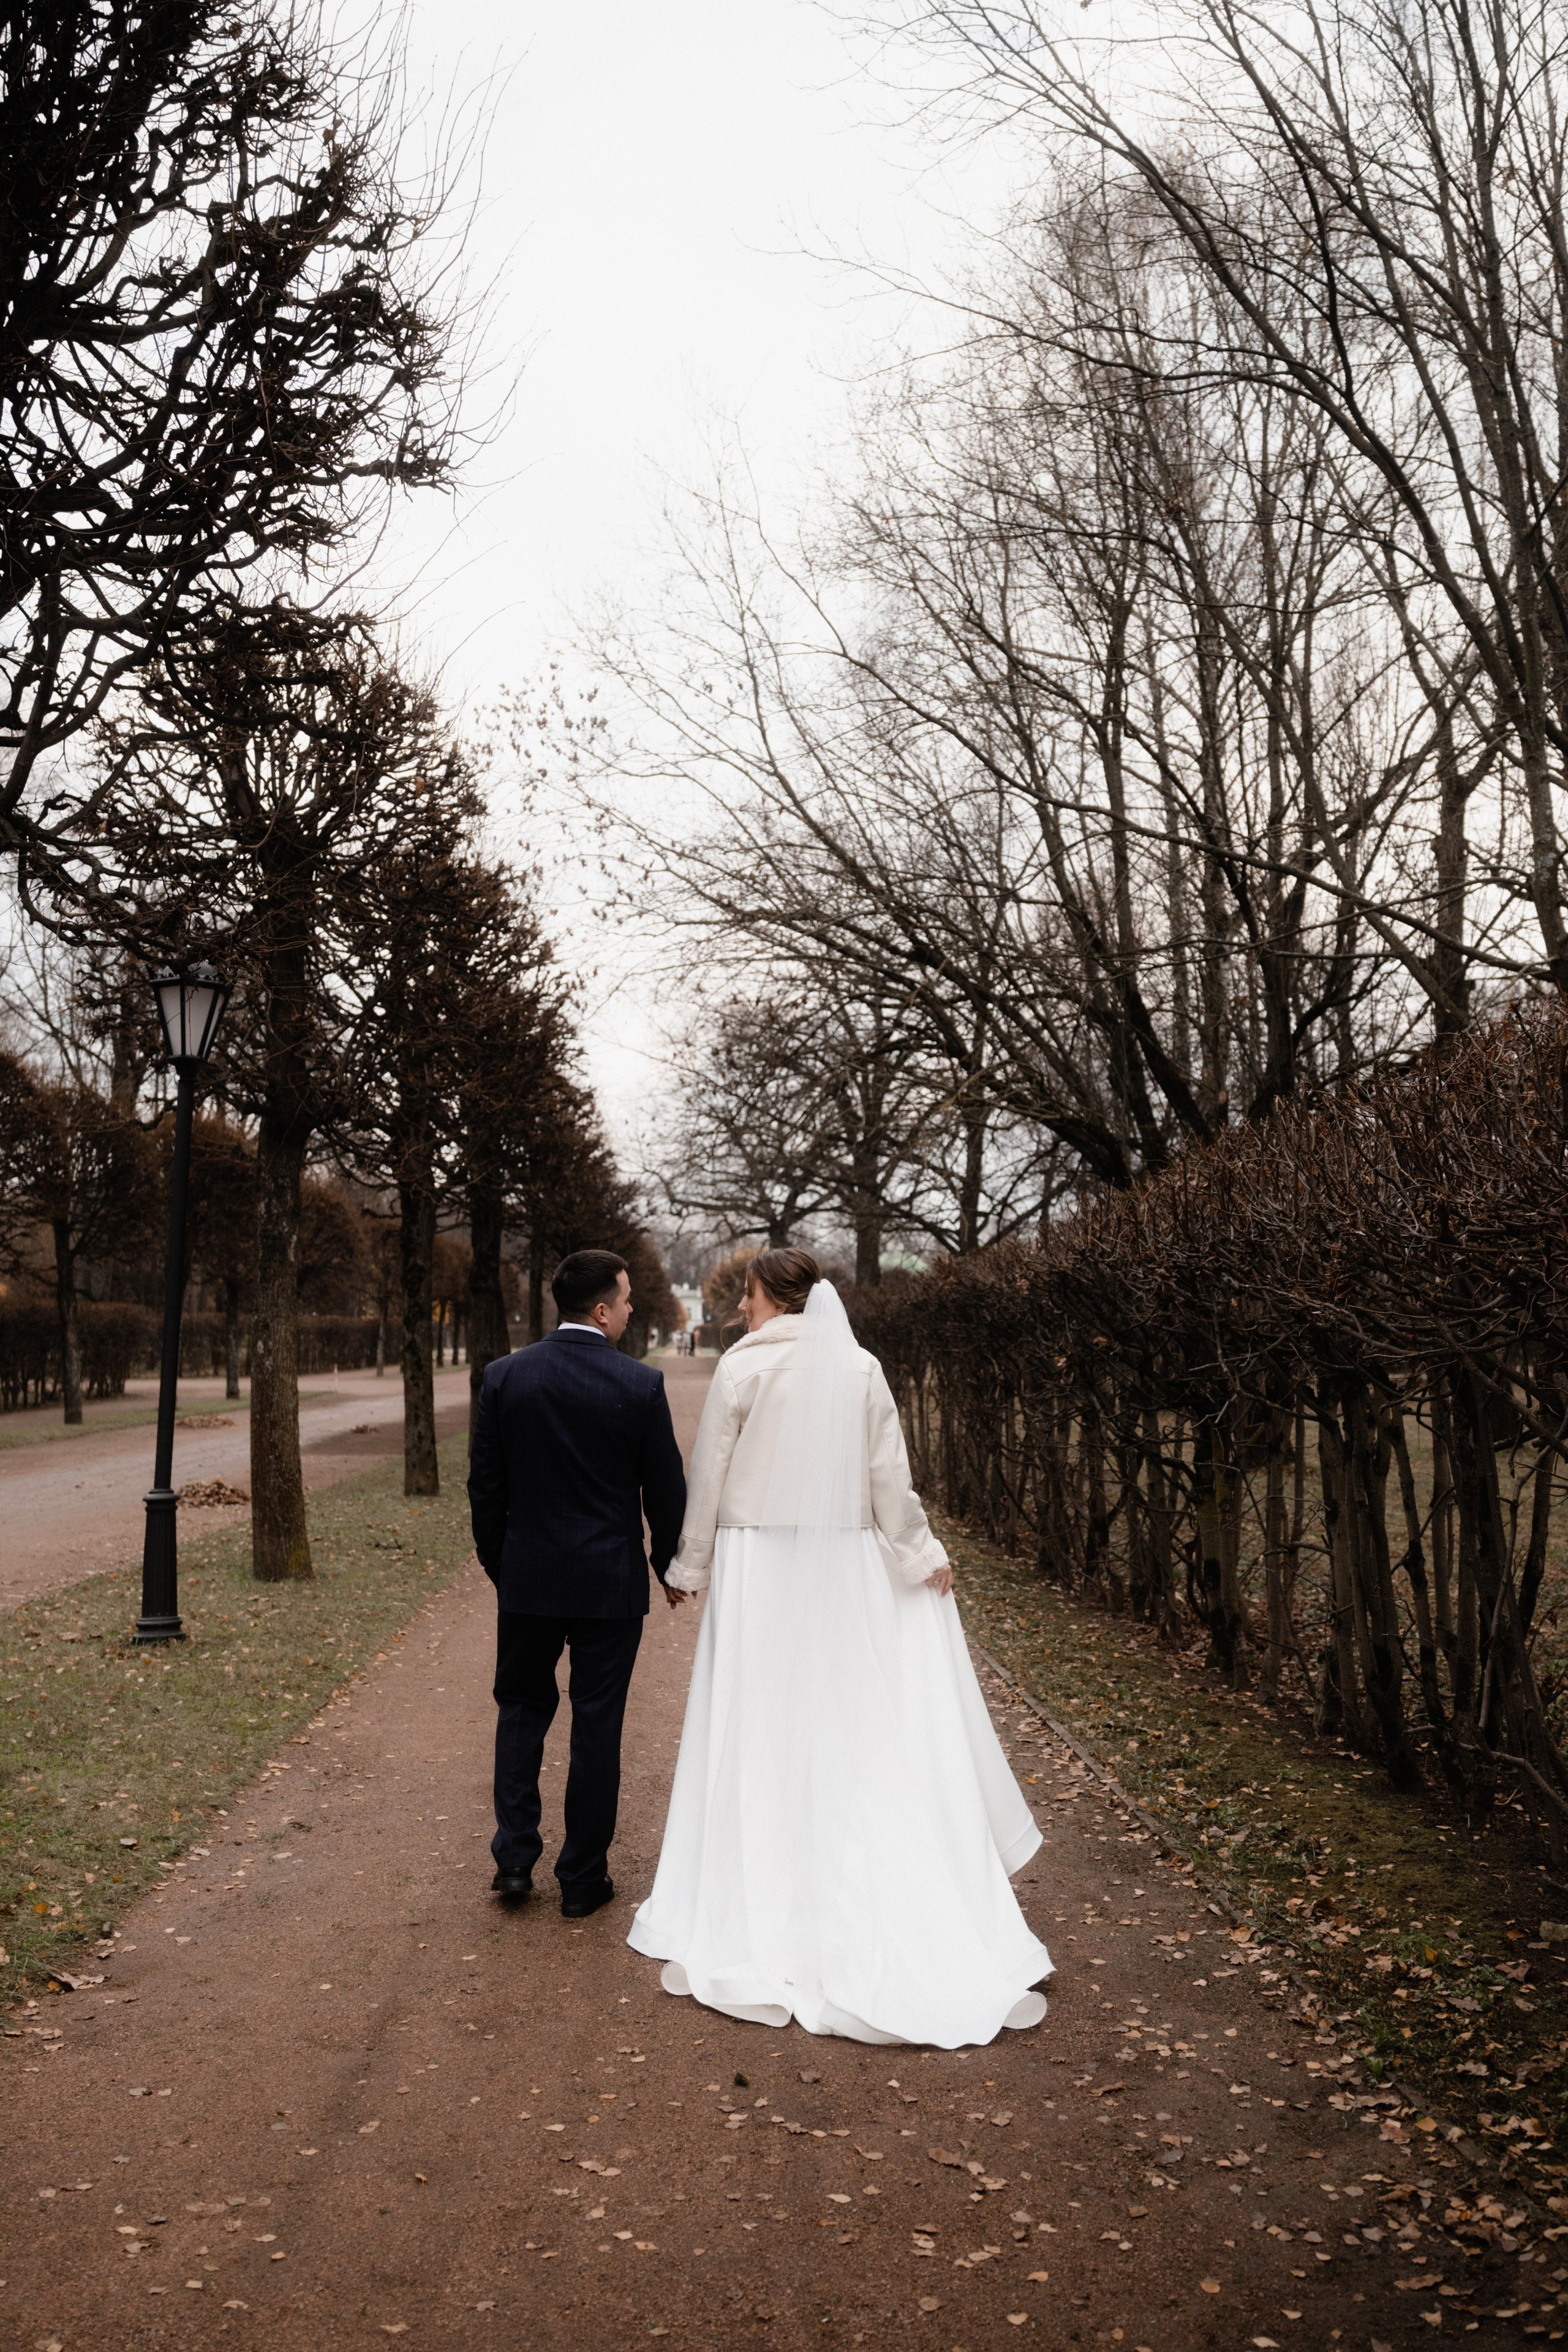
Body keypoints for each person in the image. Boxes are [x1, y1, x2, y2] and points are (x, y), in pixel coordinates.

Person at [628, 1246, 1052, 2046]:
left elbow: (709, 1471)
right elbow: (889, 1475)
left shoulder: (744, 1369)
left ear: (773, 1298)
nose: (743, 1308)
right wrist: (919, 1553)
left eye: (749, 1294)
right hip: (842, 1558)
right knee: (842, 1714)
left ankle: (759, 1878)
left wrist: (691, 1565)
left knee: (760, 1718)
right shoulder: (860, 1369)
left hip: (759, 1566)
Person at [467, 1248, 687, 1918]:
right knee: (597, 1726)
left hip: (529, 1579)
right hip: (608, 1585)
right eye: (623, 1301)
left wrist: (504, 1568)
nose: (628, 1310)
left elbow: (486, 1488)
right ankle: (583, 1879)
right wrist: (668, 1568)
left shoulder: (505, 1377)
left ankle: (513, 1861)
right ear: (600, 1309)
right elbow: (665, 1491)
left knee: (521, 1712)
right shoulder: (639, 1386)